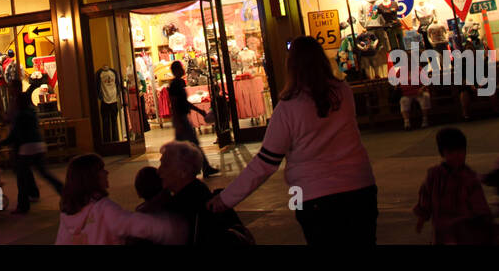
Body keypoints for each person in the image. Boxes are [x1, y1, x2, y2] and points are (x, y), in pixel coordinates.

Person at [209, 36, 377, 245]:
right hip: (361, 185)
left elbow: (265, 163)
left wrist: (226, 199)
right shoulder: (343, 92)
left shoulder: (289, 107)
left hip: (314, 196)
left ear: (292, 65)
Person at [55, 154, 184, 245]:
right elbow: (136, 224)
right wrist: (171, 227)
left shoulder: (67, 212)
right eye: (101, 170)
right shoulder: (103, 209)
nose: (107, 173)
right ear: (91, 178)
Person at [160, 140, 253, 244]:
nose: (159, 171)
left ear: (183, 172)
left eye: (164, 165)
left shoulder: (182, 209)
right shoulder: (204, 195)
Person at [413, 127, 493, 244]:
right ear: (442, 153)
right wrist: (422, 217)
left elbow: (478, 201)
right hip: (442, 231)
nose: (457, 155)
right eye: (451, 152)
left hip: (465, 230)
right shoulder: (434, 175)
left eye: (460, 151)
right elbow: (426, 196)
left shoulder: (469, 177)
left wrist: (484, 220)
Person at [0, 86, 63, 214]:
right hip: (39, 145)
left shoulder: (20, 115)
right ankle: (64, 190)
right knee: (44, 173)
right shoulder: (32, 113)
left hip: (26, 148)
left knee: (21, 177)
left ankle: (23, 205)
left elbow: (14, 134)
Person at [166, 61, 219, 176]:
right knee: (191, 145)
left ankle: (197, 168)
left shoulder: (179, 83)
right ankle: (200, 168)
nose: (183, 69)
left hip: (182, 118)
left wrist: (199, 111)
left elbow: (183, 102)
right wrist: (178, 121)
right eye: (180, 68)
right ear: (176, 70)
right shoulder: (175, 84)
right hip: (181, 119)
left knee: (186, 146)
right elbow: (174, 103)